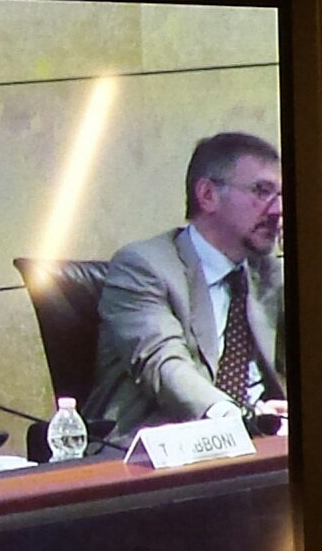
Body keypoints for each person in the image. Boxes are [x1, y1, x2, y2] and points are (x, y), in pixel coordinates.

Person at [86, 132, 286, 445]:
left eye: (282, 195)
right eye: (262, 192)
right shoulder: (143, 266)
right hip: (155, 450)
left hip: (263, 443)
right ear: (207, 195)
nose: (278, 210)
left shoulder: (271, 274)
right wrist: (240, 419)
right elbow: (164, 365)